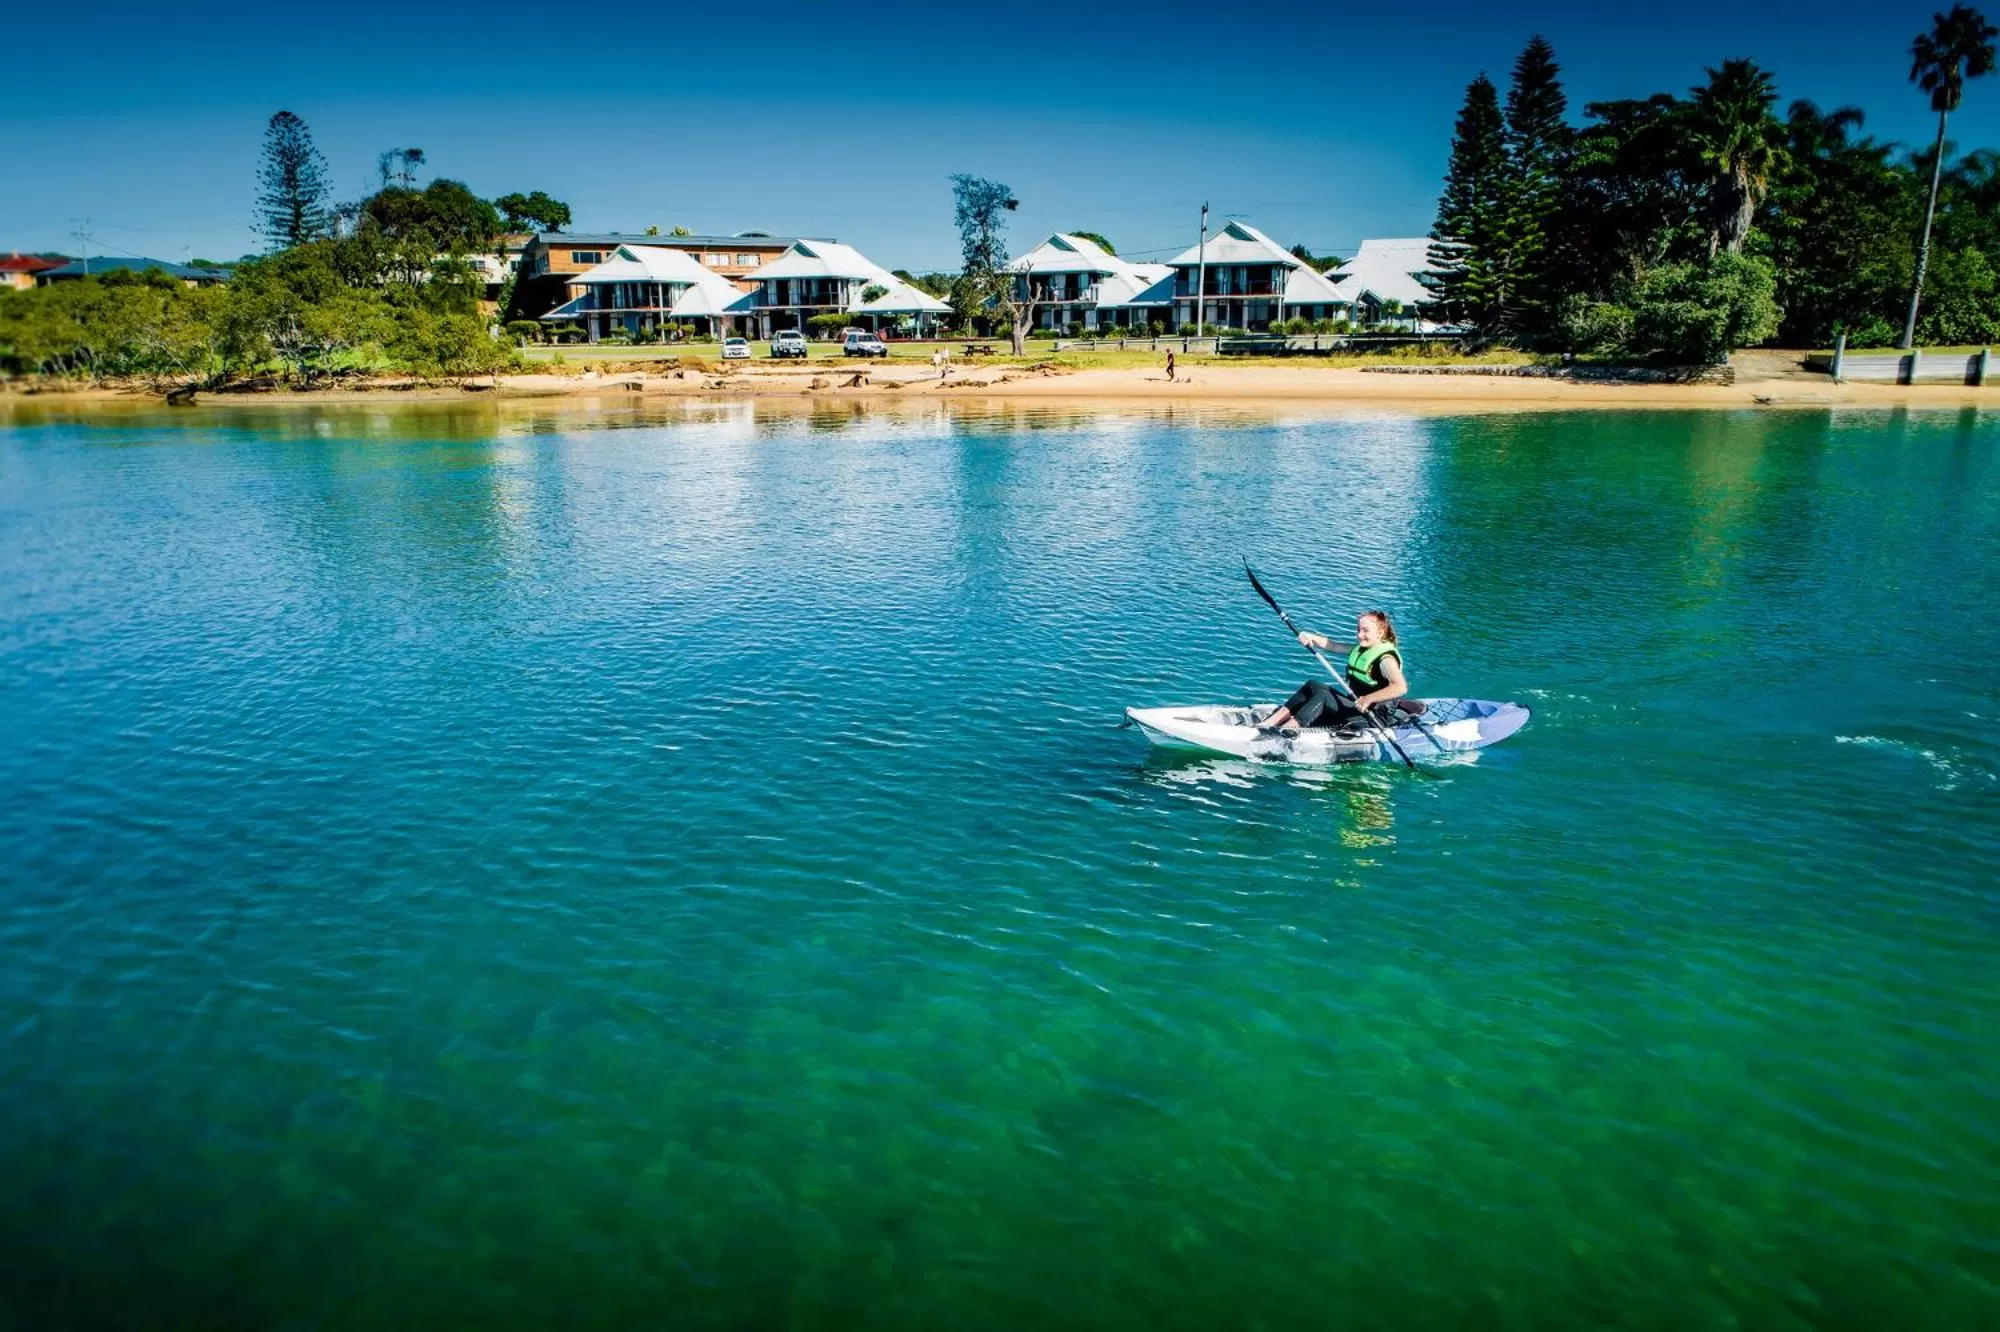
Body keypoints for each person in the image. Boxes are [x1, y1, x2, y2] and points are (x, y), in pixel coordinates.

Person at [1258, 609, 1408, 734]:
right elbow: (1333, 646)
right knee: (1313, 685)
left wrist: (1368, 699)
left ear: (1380, 633)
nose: (1359, 635)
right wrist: (1311, 637)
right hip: (1356, 706)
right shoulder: (1362, 649)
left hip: (1372, 718)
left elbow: (1400, 687)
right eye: (1358, 629)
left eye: (1365, 630)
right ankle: (1271, 722)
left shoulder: (1386, 659)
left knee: (1323, 696)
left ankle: (1287, 731)